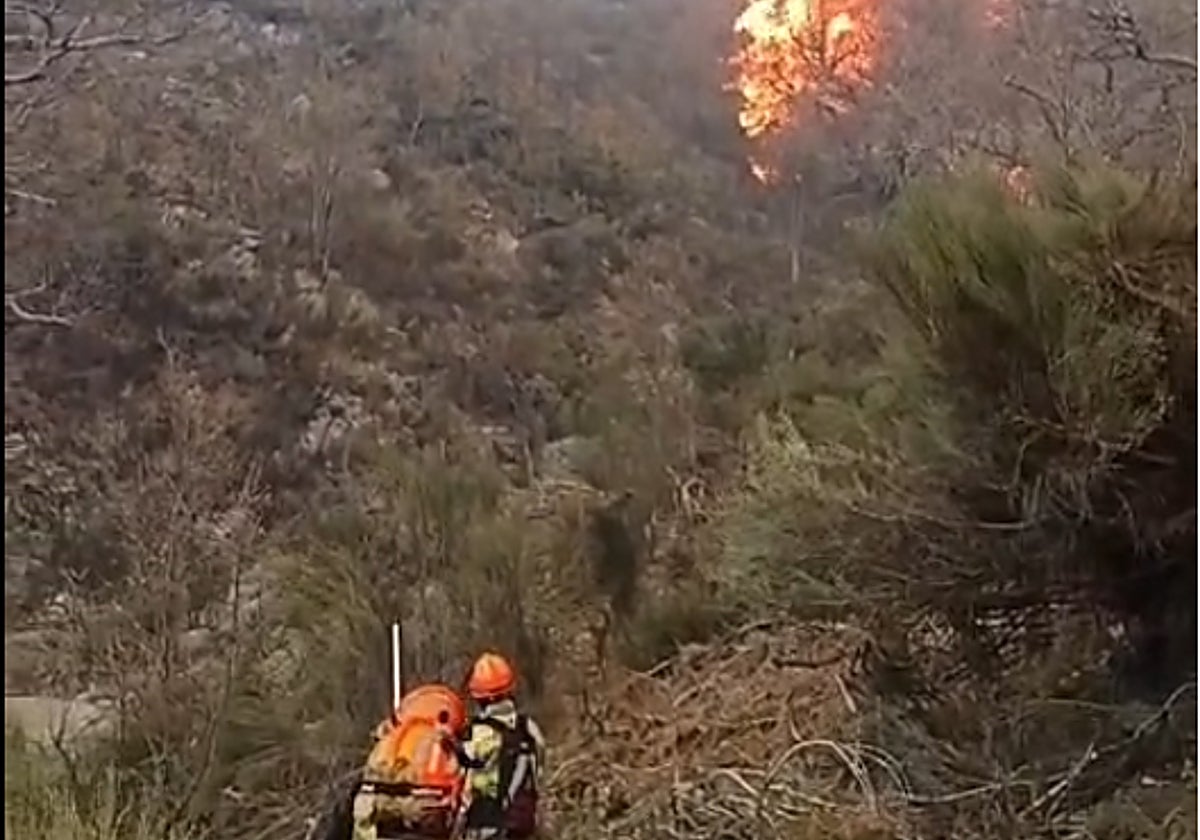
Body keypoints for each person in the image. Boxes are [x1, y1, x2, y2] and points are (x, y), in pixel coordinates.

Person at [447, 652, 546, 840]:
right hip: (524, 826)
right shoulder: (530, 729)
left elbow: (462, 760)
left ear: (480, 698)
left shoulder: (480, 734)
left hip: (489, 826)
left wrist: (447, 739)